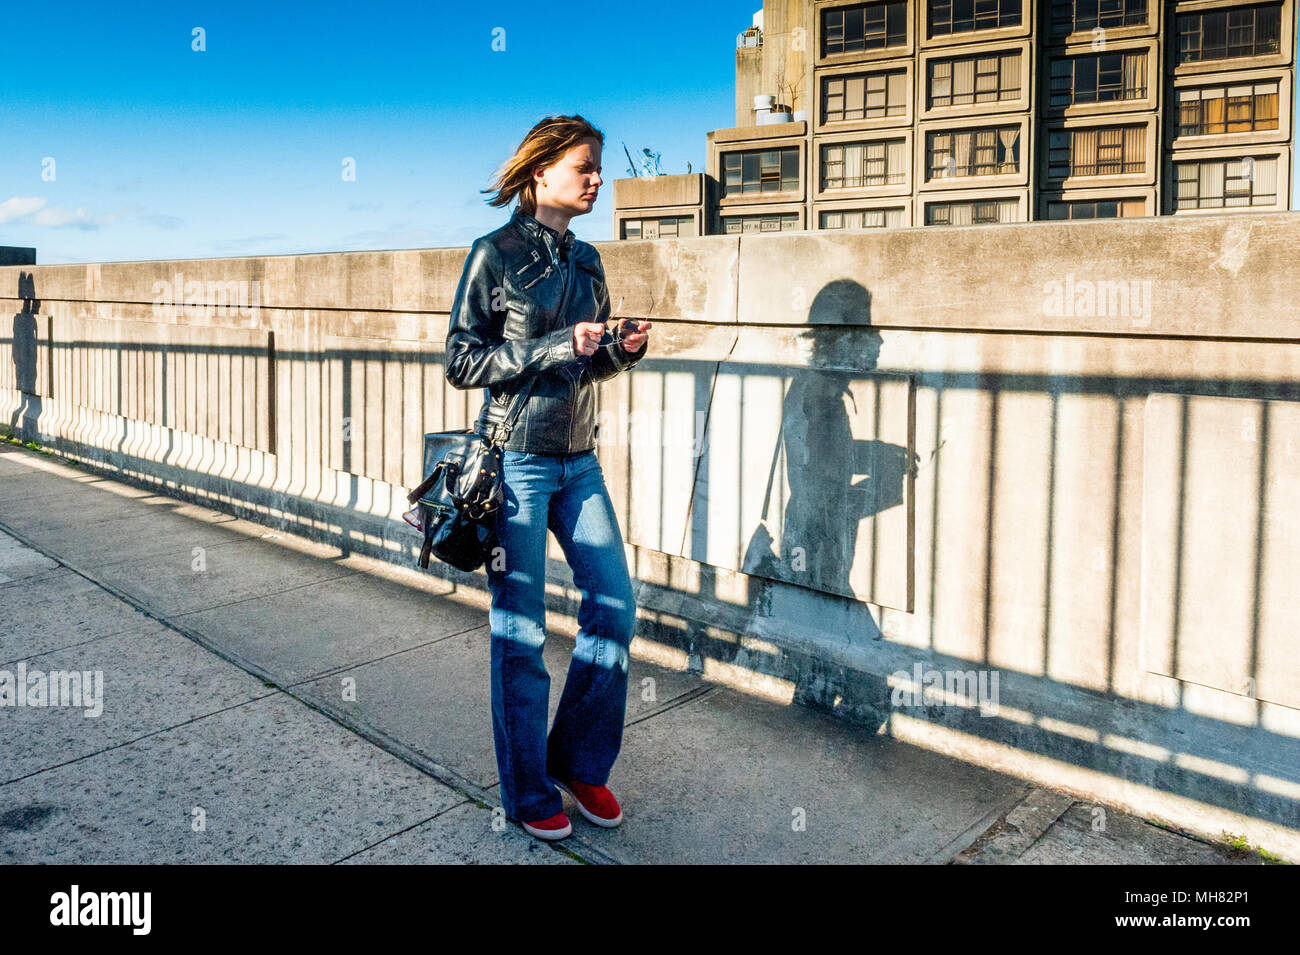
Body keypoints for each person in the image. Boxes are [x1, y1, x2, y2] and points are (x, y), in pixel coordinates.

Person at [443, 115, 652, 841]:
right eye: (584, 166)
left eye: (598, 168)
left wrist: (618, 351)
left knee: (615, 607)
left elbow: (584, 364)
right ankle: (527, 787)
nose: (597, 178)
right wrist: (556, 342)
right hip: (518, 462)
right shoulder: (493, 254)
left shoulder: (589, 261)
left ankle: (577, 758)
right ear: (541, 173)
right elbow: (464, 362)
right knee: (521, 630)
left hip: (579, 457)